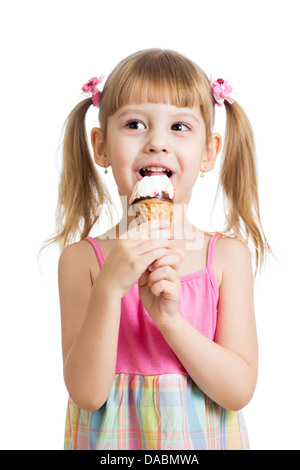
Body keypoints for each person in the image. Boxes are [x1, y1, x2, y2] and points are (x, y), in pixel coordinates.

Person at [49, 49, 270, 450]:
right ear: (100, 146)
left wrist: (170, 321)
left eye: (180, 127)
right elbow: (87, 394)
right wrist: (109, 290)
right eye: (135, 124)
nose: (157, 143)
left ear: (208, 152)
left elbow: (238, 391)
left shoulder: (226, 258)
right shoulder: (83, 262)